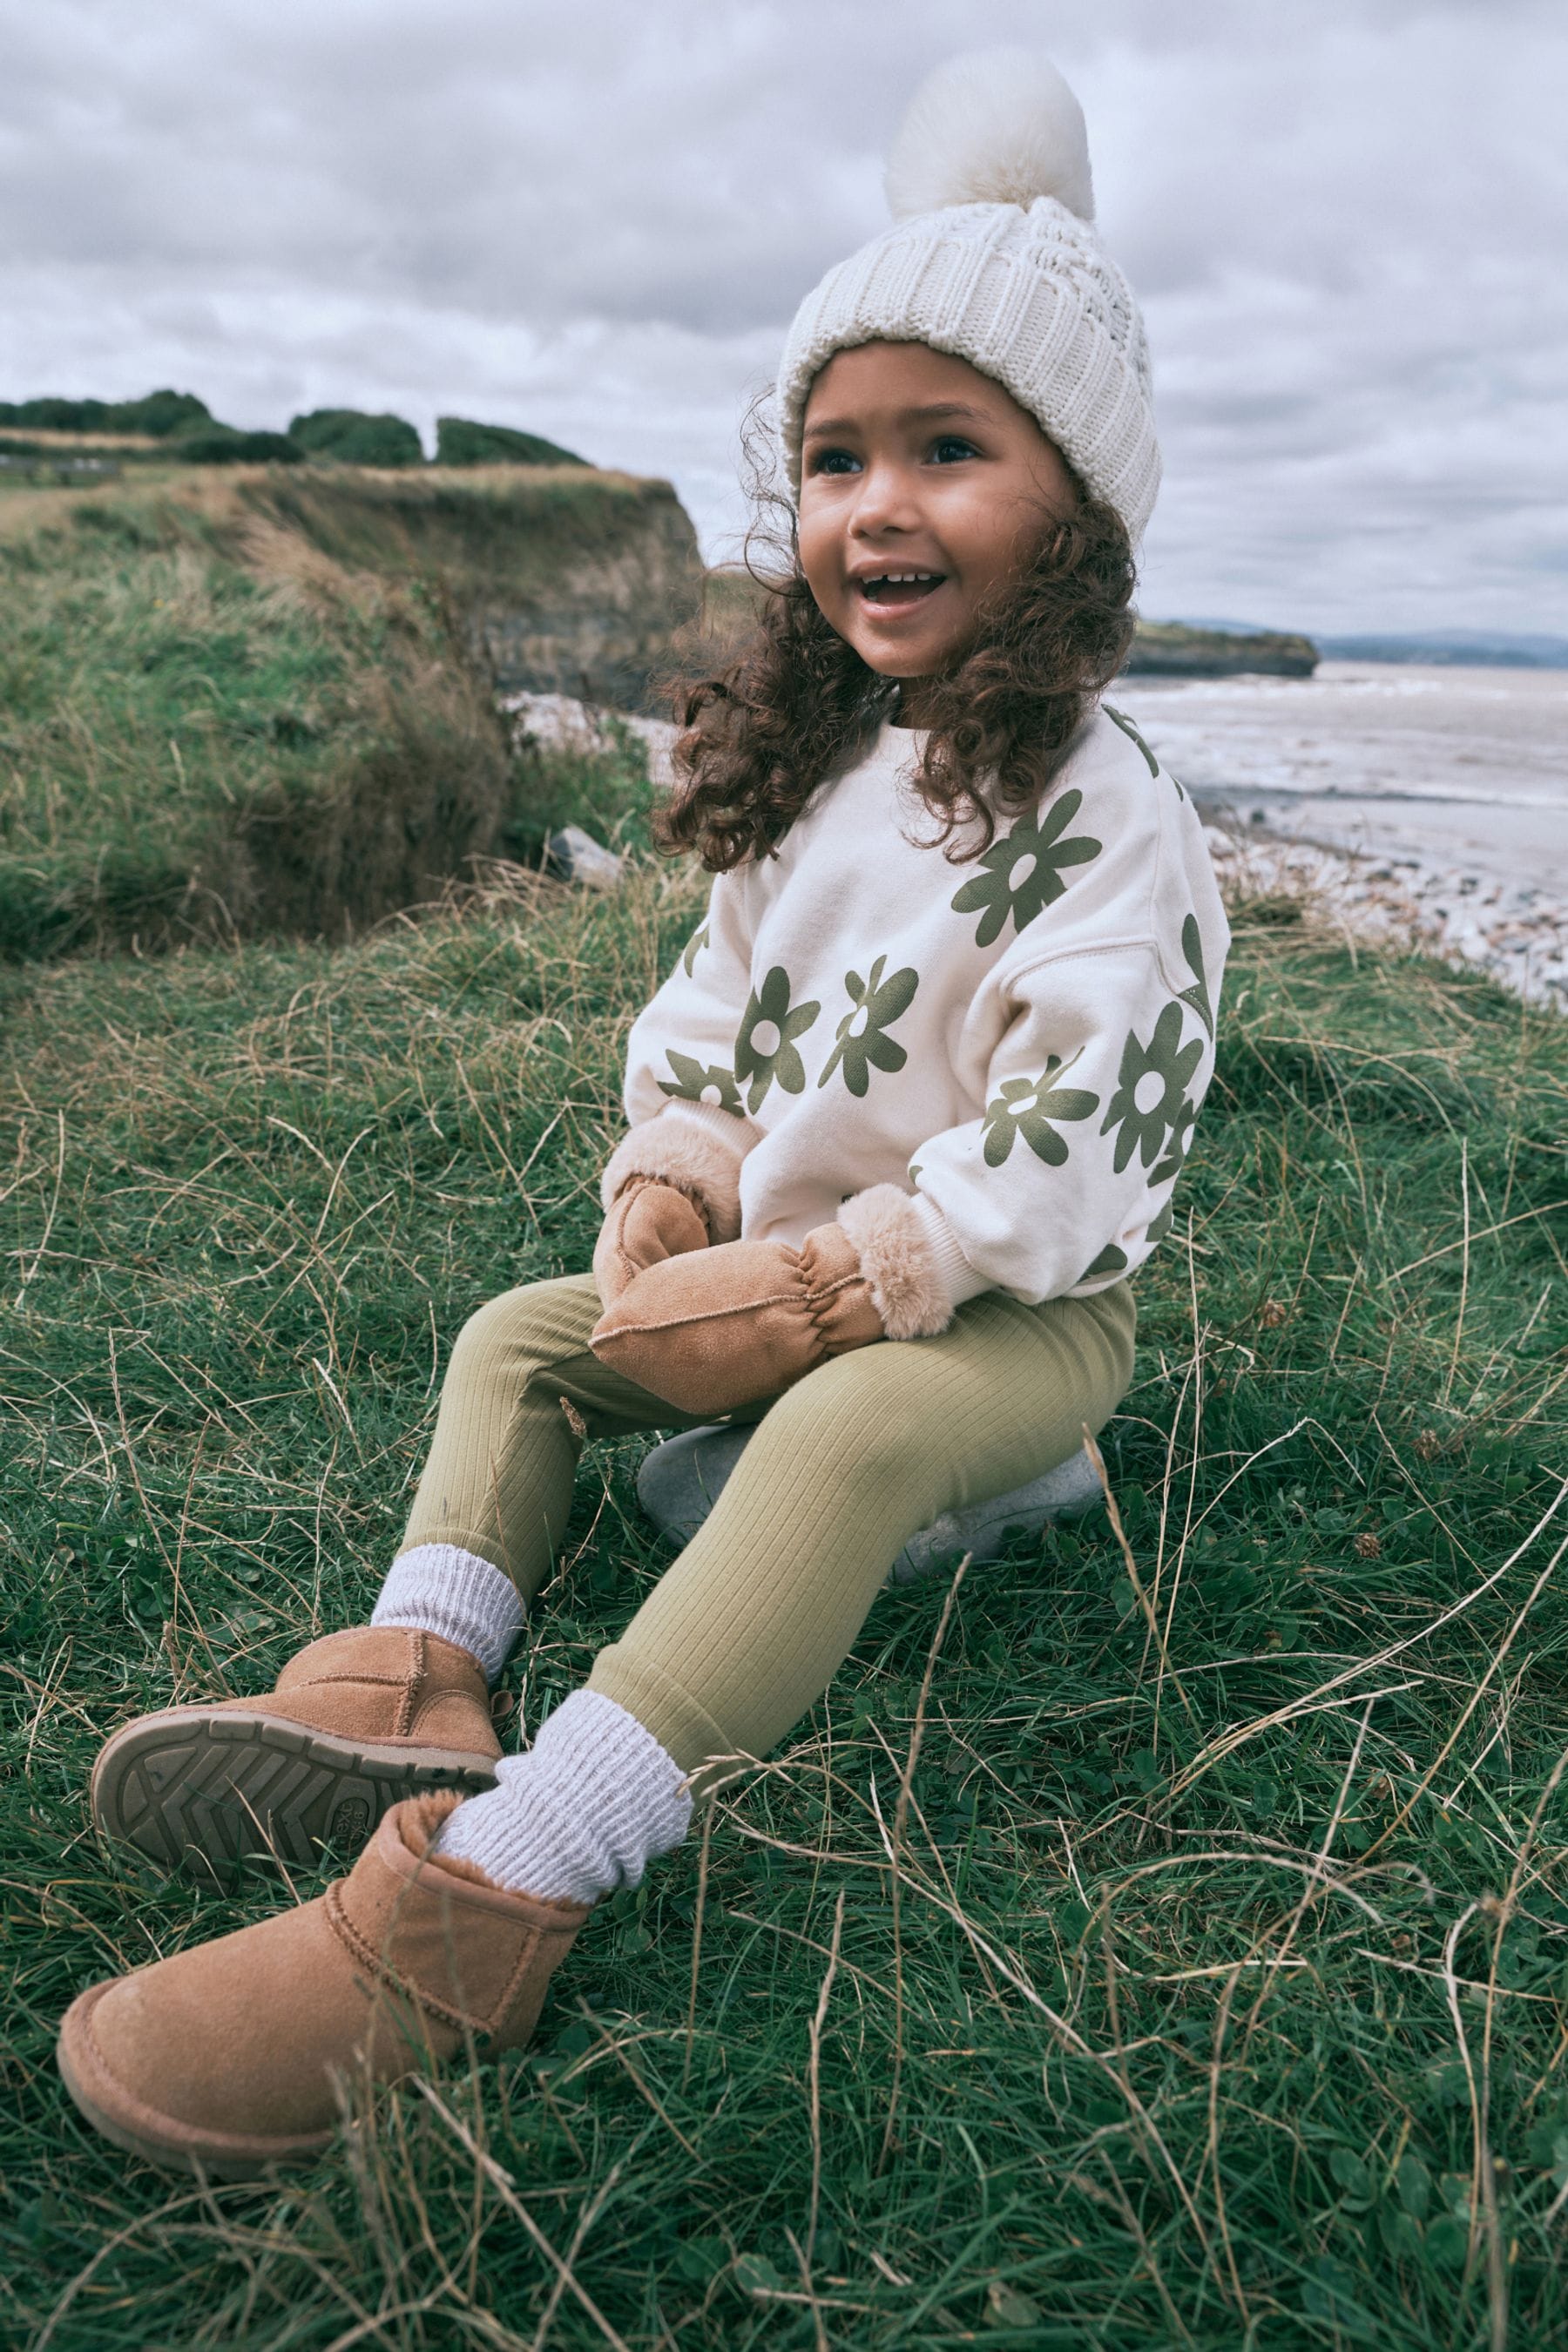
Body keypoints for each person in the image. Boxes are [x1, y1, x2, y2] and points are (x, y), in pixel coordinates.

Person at [57, 47, 1227, 2177]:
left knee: (850, 1431)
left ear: (1081, 493)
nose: (875, 505)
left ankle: (497, 1887)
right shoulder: (819, 771)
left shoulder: (1114, 814)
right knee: (522, 1331)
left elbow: (1089, 1128)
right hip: (772, 1287)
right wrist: (676, 1193)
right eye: (836, 456)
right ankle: (413, 1673)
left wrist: (860, 1280)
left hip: (1005, 1323)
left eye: (949, 449)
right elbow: (702, 1020)